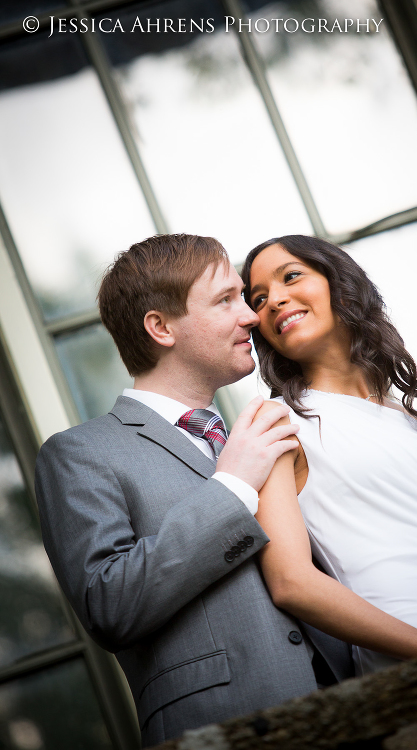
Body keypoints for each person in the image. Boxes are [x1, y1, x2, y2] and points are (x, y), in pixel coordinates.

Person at [35, 233, 359, 747]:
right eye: (226, 300)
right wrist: (232, 486)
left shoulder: (254, 438)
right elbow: (109, 604)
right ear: (161, 327)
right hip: (222, 730)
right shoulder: (80, 454)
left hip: (358, 714)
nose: (252, 316)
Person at [241, 234, 417, 677]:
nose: (274, 301)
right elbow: (291, 584)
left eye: (291, 276)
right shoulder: (278, 423)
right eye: (258, 298)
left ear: (338, 281)